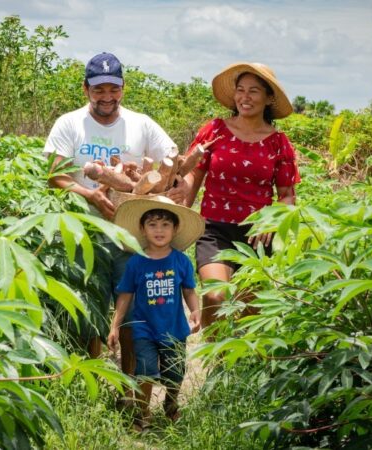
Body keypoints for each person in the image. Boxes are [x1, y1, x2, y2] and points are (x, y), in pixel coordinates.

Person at [44, 52, 188, 373]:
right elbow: (55, 174)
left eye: (113, 89)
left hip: (130, 236)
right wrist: (89, 194)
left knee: (134, 312)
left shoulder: (141, 124)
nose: (106, 97)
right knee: (88, 311)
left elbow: (172, 158)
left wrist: (165, 180)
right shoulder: (70, 124)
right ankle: (92, 382)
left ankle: (130, 391)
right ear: (86, 90)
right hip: (83, 233)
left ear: (123, 88)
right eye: (99, 90)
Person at [181, 62, 300, 330]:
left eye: (254, 91)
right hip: (214, 228)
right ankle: (214, 364)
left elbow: (287, 195)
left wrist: (271, 220)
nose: (245, 97)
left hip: (256, 233)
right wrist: (179, 220)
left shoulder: (278, 143)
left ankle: (238, 369)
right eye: (241, 90)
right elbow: (192, 176)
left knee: (249, 311)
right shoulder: (214, 130)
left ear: (269, 98)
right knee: (215, 295)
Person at [106, 196, 204, 430]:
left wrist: (195, 310)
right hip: (144, 329)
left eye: (165, 225)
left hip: (174, 329)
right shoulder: (136, 263)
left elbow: (189, 290)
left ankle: (171, 405)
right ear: (142, 229)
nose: (159, 230)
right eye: (152, 224)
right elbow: (125, 295)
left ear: (175, 229)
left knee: (175, 372)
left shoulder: (180, 261)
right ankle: (143, 413)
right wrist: (115, 325)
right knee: (145, 371)